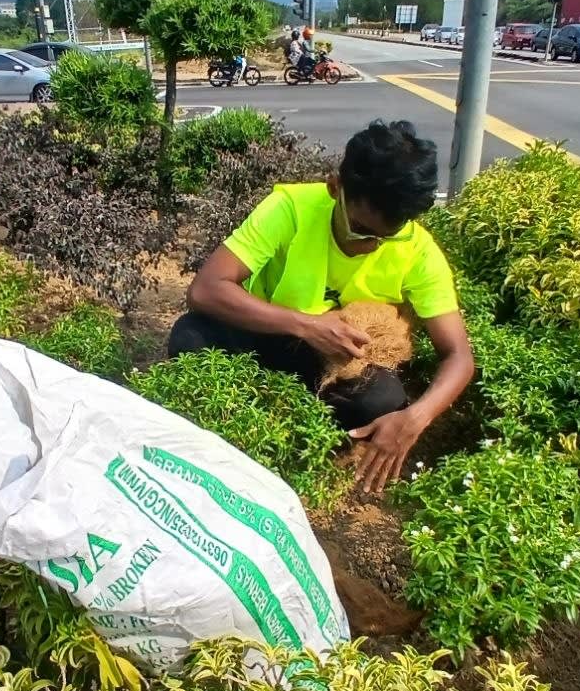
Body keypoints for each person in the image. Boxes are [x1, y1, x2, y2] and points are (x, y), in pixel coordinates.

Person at [168, 120, 475, 492]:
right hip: (267, 332)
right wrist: (306, 325)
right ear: (335, 188)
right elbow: (205, 290)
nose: (371, 245)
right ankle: (224, 434)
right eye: (362, 229)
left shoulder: (418, 248)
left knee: (384, 400)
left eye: (386, 236)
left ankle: (303, 445)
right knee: (191, 336)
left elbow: (458, 354)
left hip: (335, 363)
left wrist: (416, 417)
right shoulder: (291, 208)